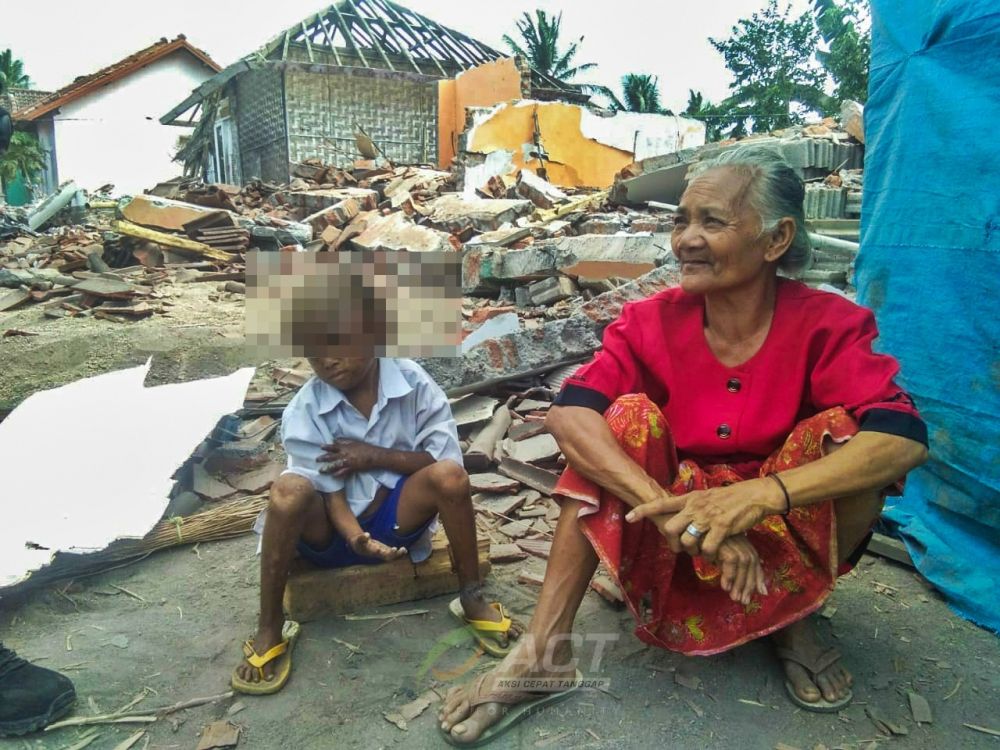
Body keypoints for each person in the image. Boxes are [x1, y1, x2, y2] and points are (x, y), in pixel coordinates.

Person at [438, 145, 928, 744]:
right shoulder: (649, 321)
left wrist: (758, 496)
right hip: (673, 525)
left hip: (774, 521)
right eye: (681, 221)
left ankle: (794, 615)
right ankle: (544, 653)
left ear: (777, 239)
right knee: (620, 422)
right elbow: (569, 415)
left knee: (846, 438)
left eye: (712, 221)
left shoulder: (828, 324)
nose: (686, 240)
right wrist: (670, 508)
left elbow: (903, 437)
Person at [232, 354, 523, 694]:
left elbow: (443, 456)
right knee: (287, 490)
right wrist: (357, 537)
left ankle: (472, 598)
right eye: (314, 351)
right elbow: (330, 493)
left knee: (451, 477)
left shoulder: (413, 383)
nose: (327, 360)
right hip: (328, 536)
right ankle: (270, 626)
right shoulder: (306, 408)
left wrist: (373, 456)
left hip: (395, 526)